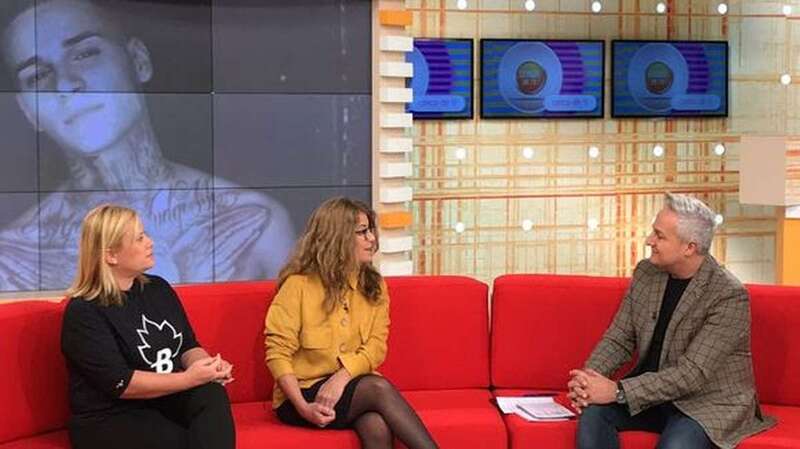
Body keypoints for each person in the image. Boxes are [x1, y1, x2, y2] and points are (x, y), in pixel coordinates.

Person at [0, 0, 294, 291]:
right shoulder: (10, 257)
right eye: (37, 76)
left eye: (85, 54)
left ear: (139, 61)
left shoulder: (260, 224)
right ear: (27, 109)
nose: (65, 85)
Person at [568, 193, 775, 449]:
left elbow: (691, 374)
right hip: (652, 395)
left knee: (676, 445)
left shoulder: (728, 295)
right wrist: (588, 380)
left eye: (659, 235)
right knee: (594, 415)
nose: (648, 241)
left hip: (705, 403)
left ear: (689, 247)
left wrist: (617, 391)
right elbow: (620, 338)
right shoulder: (647, 273)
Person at [265, 197, 439, 449]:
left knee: (376, 425)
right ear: (338, 238)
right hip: (301, 395)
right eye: (362, 232)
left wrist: (341, 378)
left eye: (371, 230)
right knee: (378, 388)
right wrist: (304, 408)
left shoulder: (374, 286)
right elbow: (277, 354)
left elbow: (376, 347)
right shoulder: (298, 286)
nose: (372, 239)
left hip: (351, 387)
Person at [61, 204, 236, 449]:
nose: (150, 243)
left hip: (165, 399)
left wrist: (207, 367)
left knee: (211, 394)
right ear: (111, 255)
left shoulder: (158, 288)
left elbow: (186, 345)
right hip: (110, 417)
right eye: (140, 238)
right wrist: (189, 378)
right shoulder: (84, 312)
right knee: (185, 442)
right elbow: (122, 384)